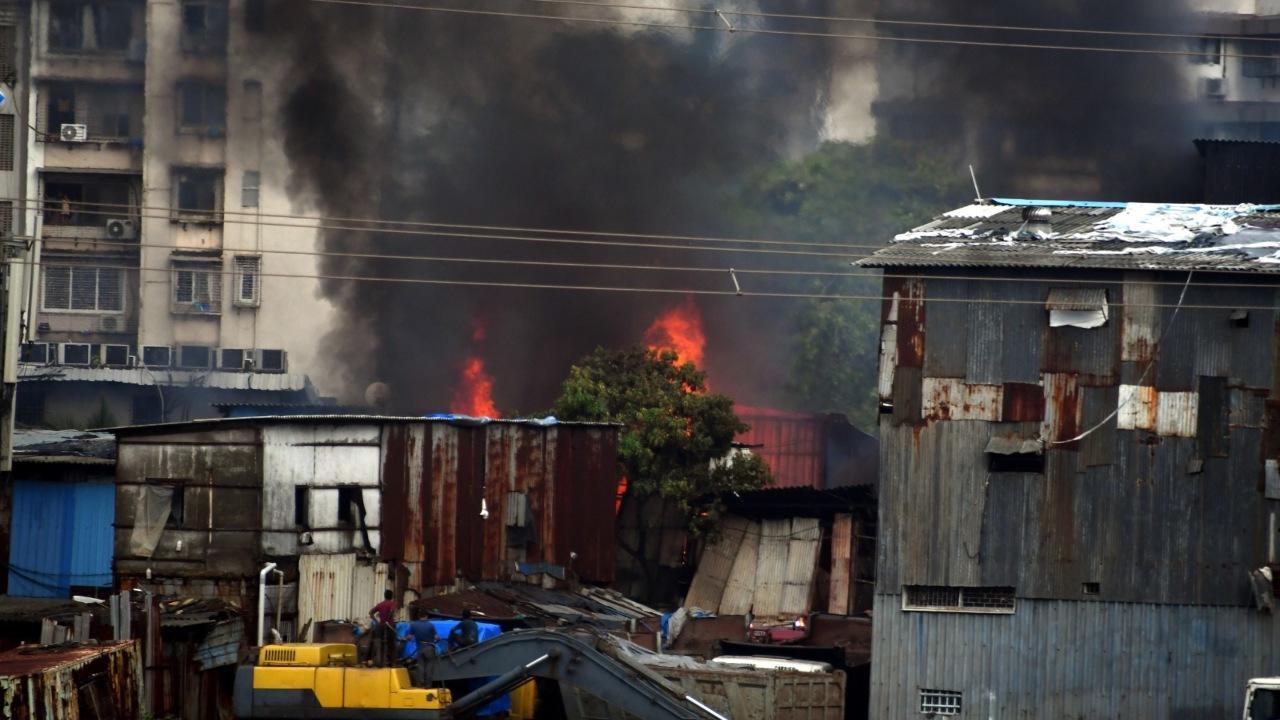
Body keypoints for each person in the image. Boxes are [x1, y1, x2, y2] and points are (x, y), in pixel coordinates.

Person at [368, 590, 398, 666]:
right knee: (392, 645)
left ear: (384, 596)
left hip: (381, 627)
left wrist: (377, 622)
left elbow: (371, 612)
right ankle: (392, 663)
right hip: (390, 626)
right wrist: (389, 618)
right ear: (391, 596)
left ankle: (381, 662)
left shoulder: (380, 604)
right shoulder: (392, 603)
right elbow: (391, 611)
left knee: (381, 643)